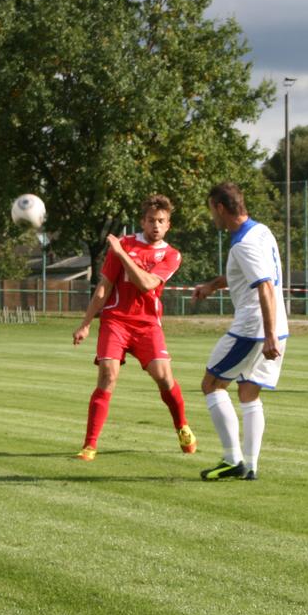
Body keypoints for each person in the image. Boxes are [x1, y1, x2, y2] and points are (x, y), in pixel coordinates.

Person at [72, 194, 196, 461]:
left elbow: (148, 284)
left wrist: (121, 254)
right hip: (115, 320)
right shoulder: (125, 244)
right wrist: (85, 324)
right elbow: (104, 286)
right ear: (142, 221)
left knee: (164, 378)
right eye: (151, 220)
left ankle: (182, 426)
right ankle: (90, 445)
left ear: (168, 225)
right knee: (108, 374)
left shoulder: (171, 255)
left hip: (147, 325)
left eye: (161, 221)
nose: (156, 225)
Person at [191, 182, 287, 481]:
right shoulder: (260, 231)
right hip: (276, 325)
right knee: (248, 392)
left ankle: (233, 460)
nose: (212, 218)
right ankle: (251, 466)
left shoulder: (243, 243)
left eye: (211, 211)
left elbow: (265, 286)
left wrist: (268, 335)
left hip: (253, 328)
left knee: (211, 384)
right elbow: (246, 276)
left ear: (220, 207)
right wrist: (212, 285)